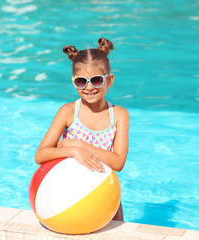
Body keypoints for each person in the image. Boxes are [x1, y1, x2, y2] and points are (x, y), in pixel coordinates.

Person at [34, 38, 129, 221]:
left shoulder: (119, 115)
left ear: (109, 80)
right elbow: (40, 155)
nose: (89, 87)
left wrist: (79, 144)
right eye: (81, 82)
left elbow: (118, 162)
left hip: (104, 196)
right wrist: (73, 151)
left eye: (96, 80)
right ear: (73, 82)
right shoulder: (68, 112)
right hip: (70, 198)